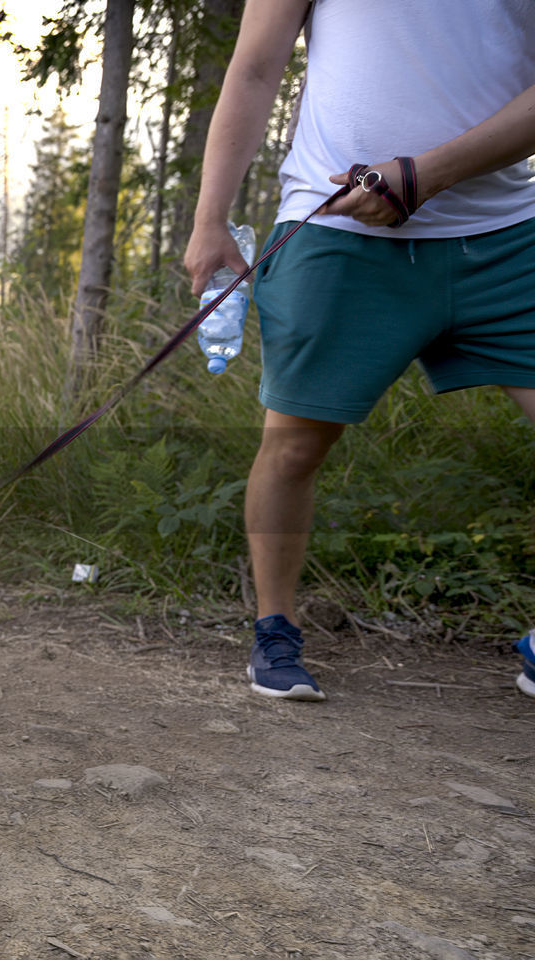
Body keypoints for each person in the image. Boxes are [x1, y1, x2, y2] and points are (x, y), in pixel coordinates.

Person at [183, 0, 535, 701]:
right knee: (293, 445)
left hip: (508, 235)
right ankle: (274, 631)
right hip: (338, 231)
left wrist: (428, 173)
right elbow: (254, 67)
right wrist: (209, 218)